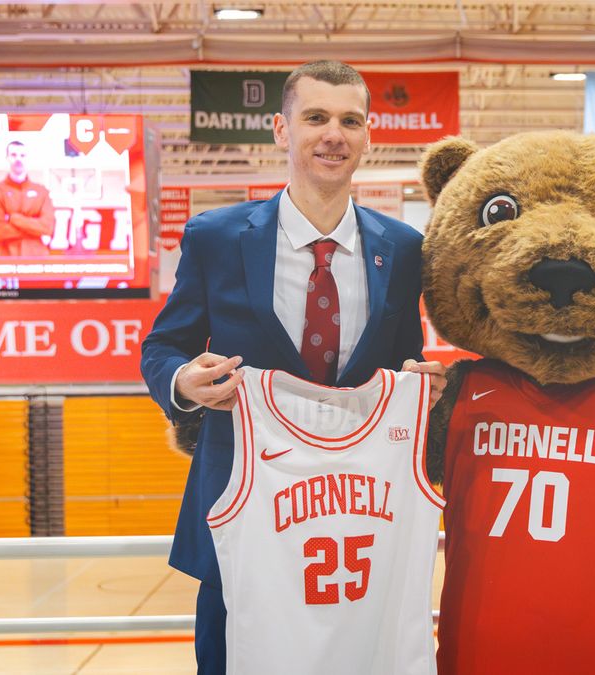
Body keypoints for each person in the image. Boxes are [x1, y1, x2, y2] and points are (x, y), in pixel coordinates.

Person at [139, 60, 445, 674]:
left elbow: (402, 360)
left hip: (355, 521)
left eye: (348, 120)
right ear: (282, 130)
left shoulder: (404, 248)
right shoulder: (217, 237)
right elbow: (161, 347)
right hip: (244, 507)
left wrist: (423, 384)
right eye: (315, 118)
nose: (333, 133)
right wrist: (183, 382)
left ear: (367, 137)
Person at [0, 140, 55, 256]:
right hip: (7, 259)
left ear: (27, 159)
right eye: (13, 155)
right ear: (7, 158)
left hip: (37, 260)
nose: (18, 159)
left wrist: (13, 218)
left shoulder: (42, 192)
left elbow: (47, 228)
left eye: (22, 155)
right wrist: (35, 229)